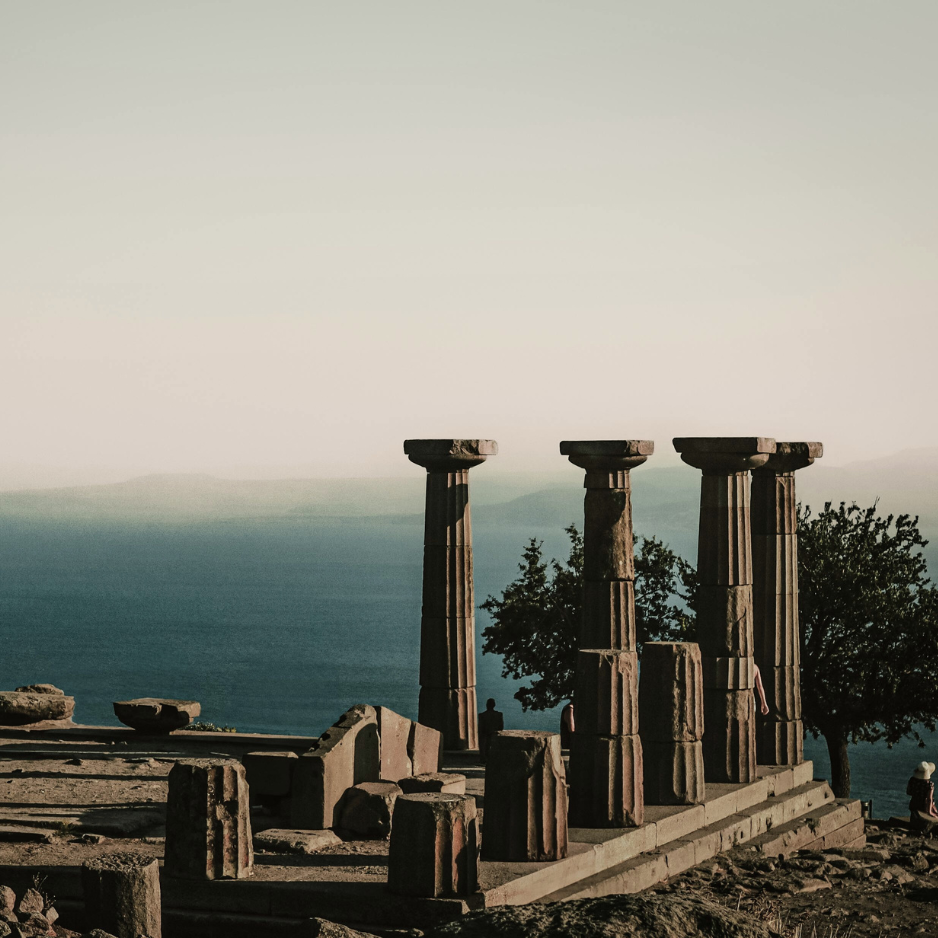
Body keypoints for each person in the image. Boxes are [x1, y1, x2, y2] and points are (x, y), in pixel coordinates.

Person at [907, 761, 938, 835]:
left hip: (914, 805)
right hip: (924, 807)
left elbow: (908, 792)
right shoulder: (929, 784)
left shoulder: (912, 780)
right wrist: (930, 812)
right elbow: (929, 799)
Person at [477, 697, 503, 763]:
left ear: (487, 705)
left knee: (484, 743)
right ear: (494, 705)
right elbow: (501, 727)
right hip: (495, 736)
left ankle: (483, 758)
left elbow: (480, 729)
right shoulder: (499, 715)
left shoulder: (482, 715)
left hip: (485, 737)